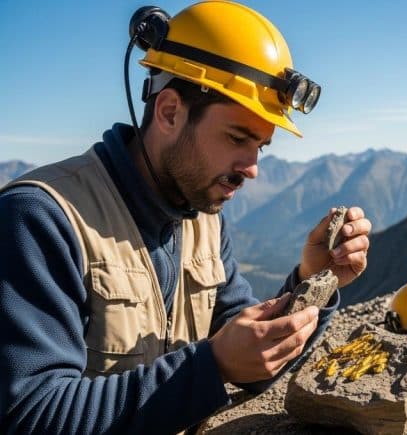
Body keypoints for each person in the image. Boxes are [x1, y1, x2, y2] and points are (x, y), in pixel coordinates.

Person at [0, 2, 371, 433]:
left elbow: (249, 363)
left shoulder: (202, 215)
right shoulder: (40, 219)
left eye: (261, 147)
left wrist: (313, 280)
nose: (252, 168)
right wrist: (210, 367)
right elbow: (28, 415)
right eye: (237, 137)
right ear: (170, 112)